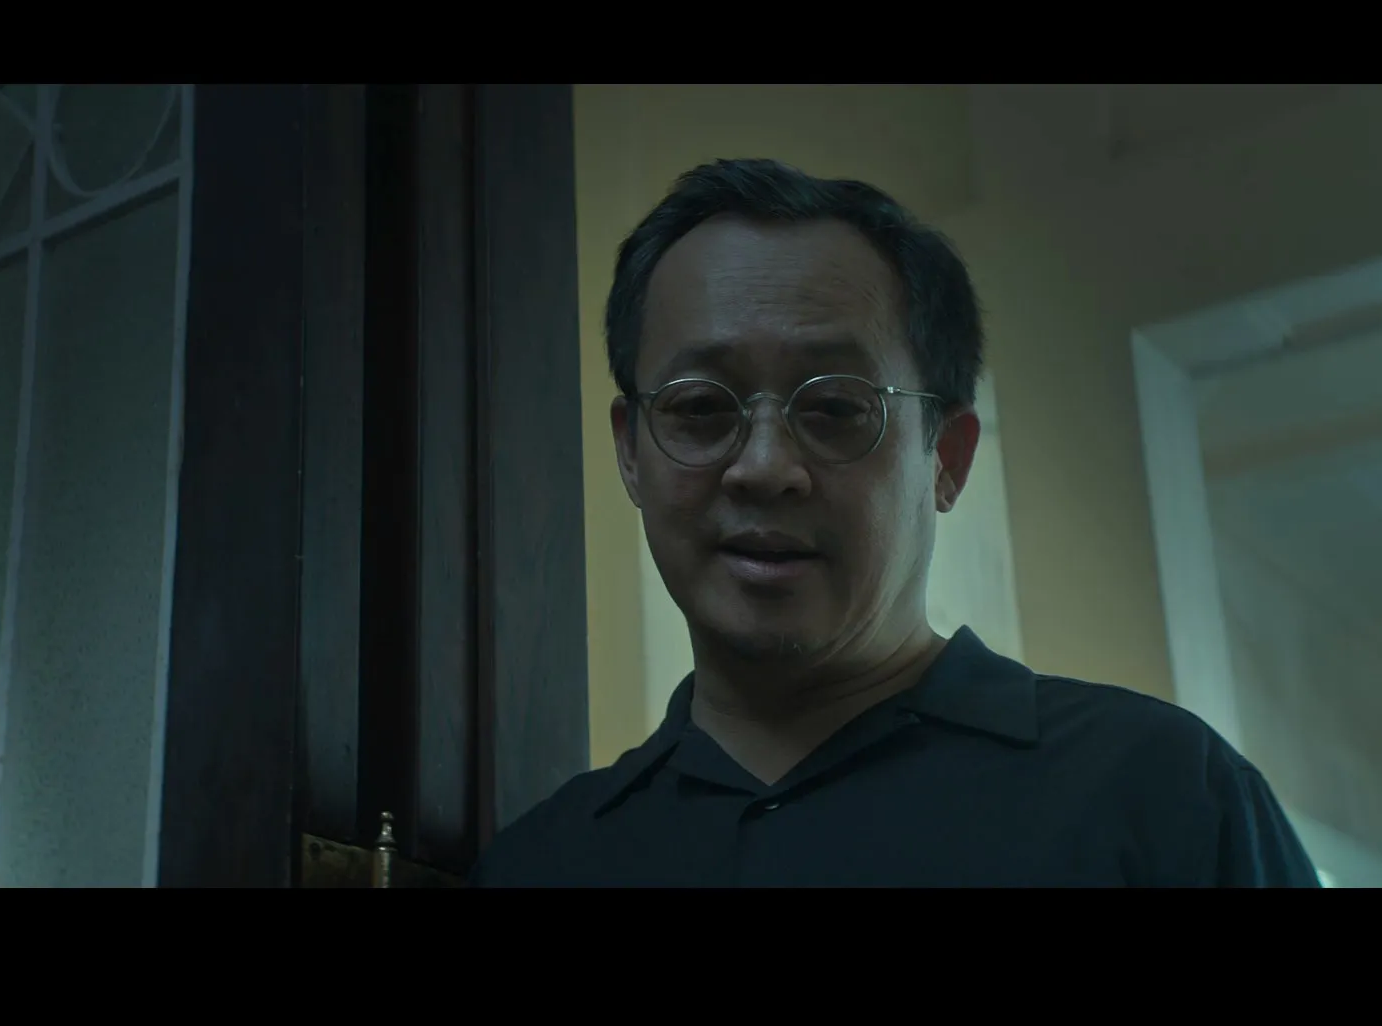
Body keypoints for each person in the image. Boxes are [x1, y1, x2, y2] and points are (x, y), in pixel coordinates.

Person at [470, 158, 1319, 887]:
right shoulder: (543, 864)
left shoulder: (1158, 792)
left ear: (945, 456)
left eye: (835, 408)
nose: (763, 467)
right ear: (630, 451)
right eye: (700, 408)